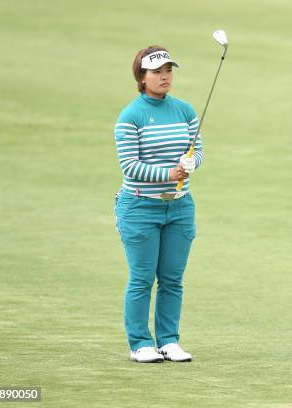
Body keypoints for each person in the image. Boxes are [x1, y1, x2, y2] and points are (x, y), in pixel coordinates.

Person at [113, 45, 203, 363]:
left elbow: (198, 149)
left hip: (179, 206)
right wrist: (169, 171)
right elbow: (130, 166)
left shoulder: (185, 111)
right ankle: (140, 343)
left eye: (168, 71)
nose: (165, 77)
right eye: (157, 72)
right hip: (139, 207)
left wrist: (192, 164)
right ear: (142, 77)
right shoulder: (131, 116)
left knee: (172, 278)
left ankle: (168, 340)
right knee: (142, 277)